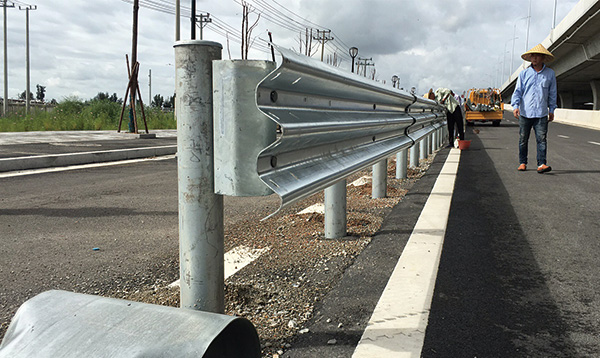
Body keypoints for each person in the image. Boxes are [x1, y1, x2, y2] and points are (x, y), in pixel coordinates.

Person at [511, 44, 557, 174]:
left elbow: (552, 93)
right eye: (532, 56)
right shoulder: (524, 74)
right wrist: (515, 106)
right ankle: (522, 162)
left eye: (537, 56)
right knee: (523, 139)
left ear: (543, 58)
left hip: (541, 113)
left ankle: (541, 164)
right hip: (525, 113)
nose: (534, 58)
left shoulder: (550, 74)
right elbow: (518, 91)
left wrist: (552, 109)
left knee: (541, 139)